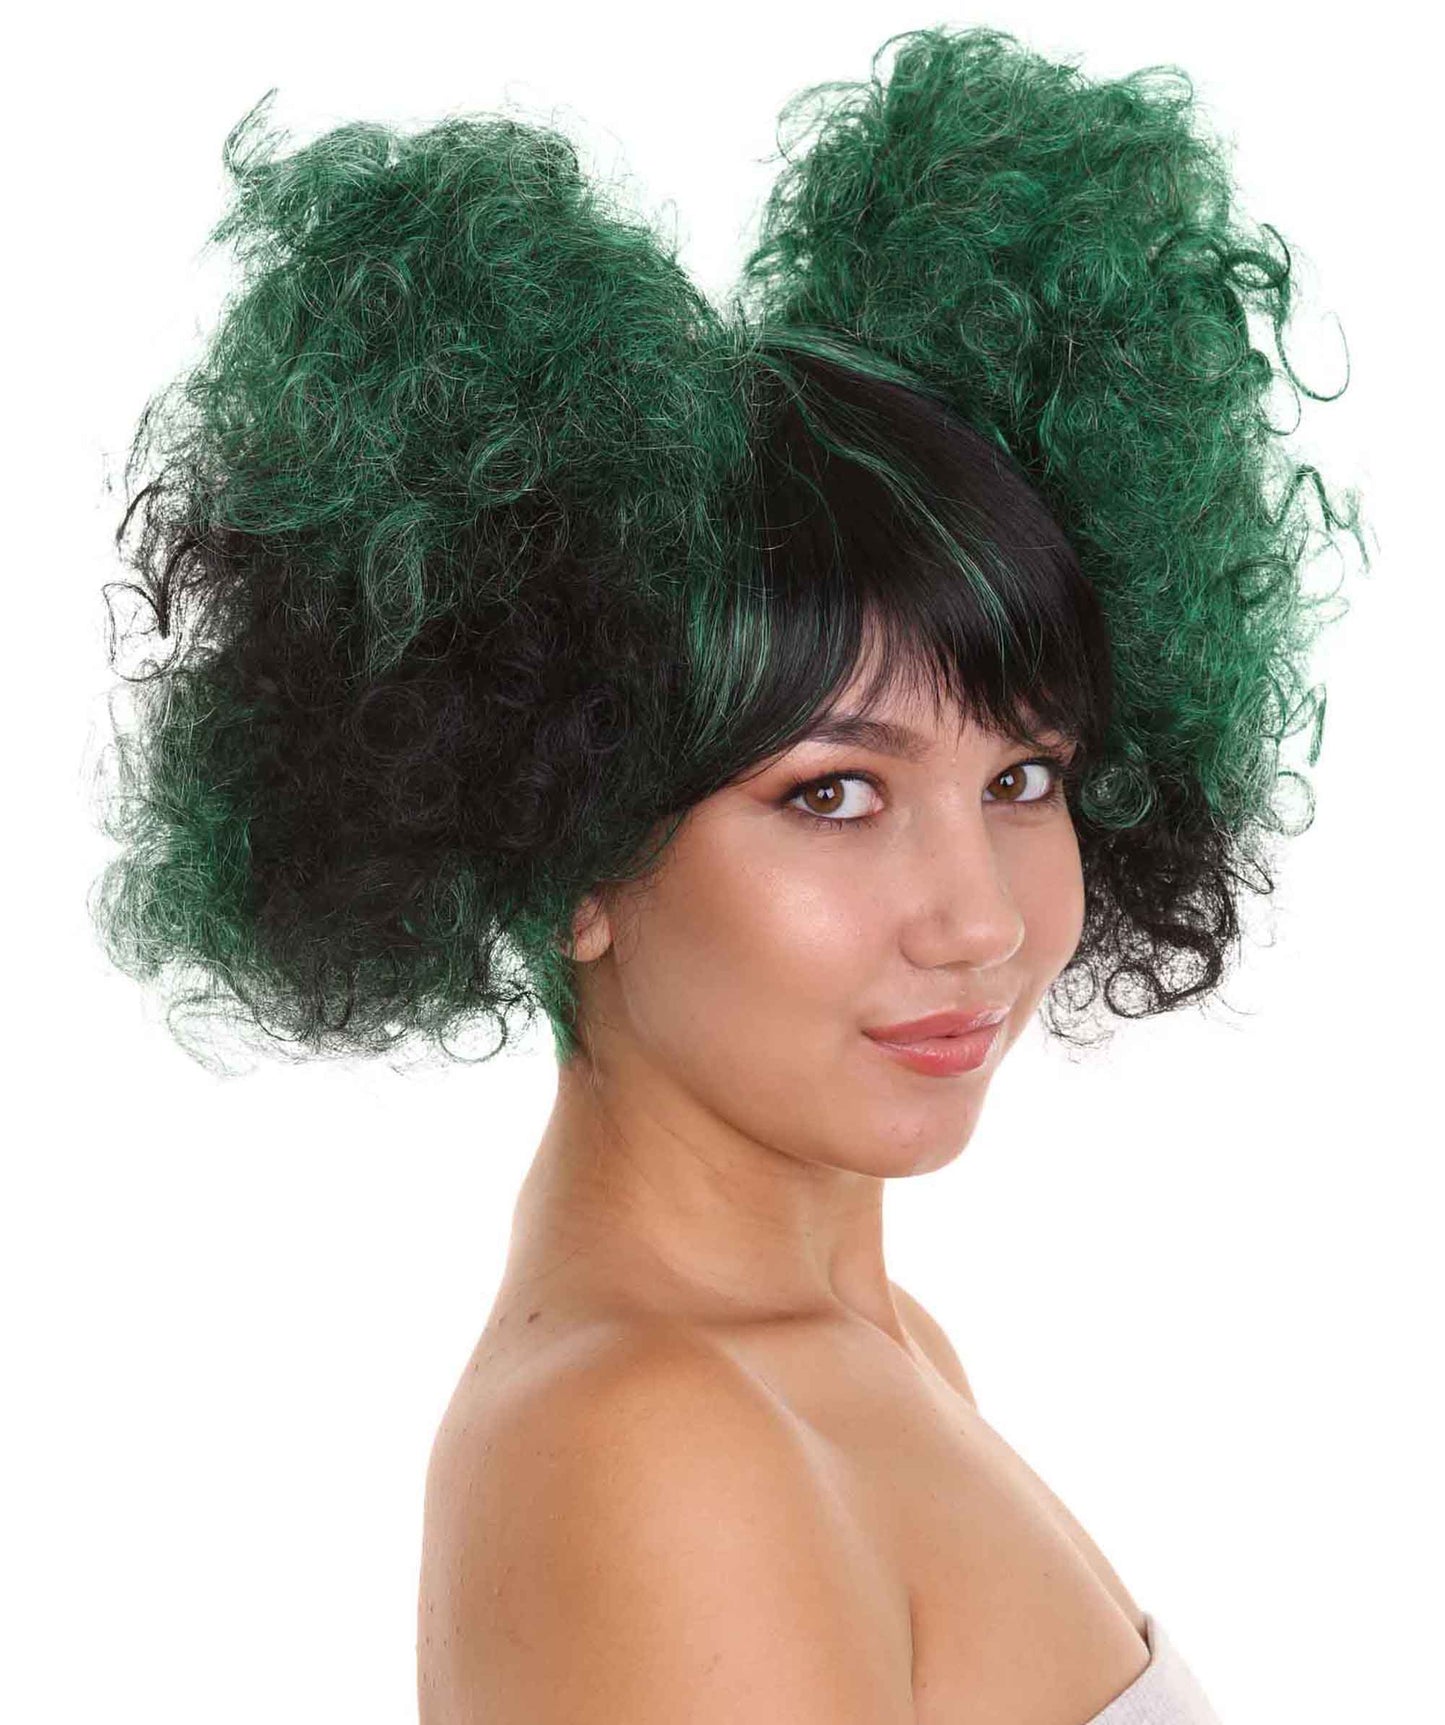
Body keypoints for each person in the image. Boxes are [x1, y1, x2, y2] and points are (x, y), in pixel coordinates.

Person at [87, 25, 1368, 1723]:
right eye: (832, 792)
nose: (980, 917)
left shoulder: (869, 1351)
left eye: (1022, 777)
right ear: (565, 839)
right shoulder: (657, 1446)